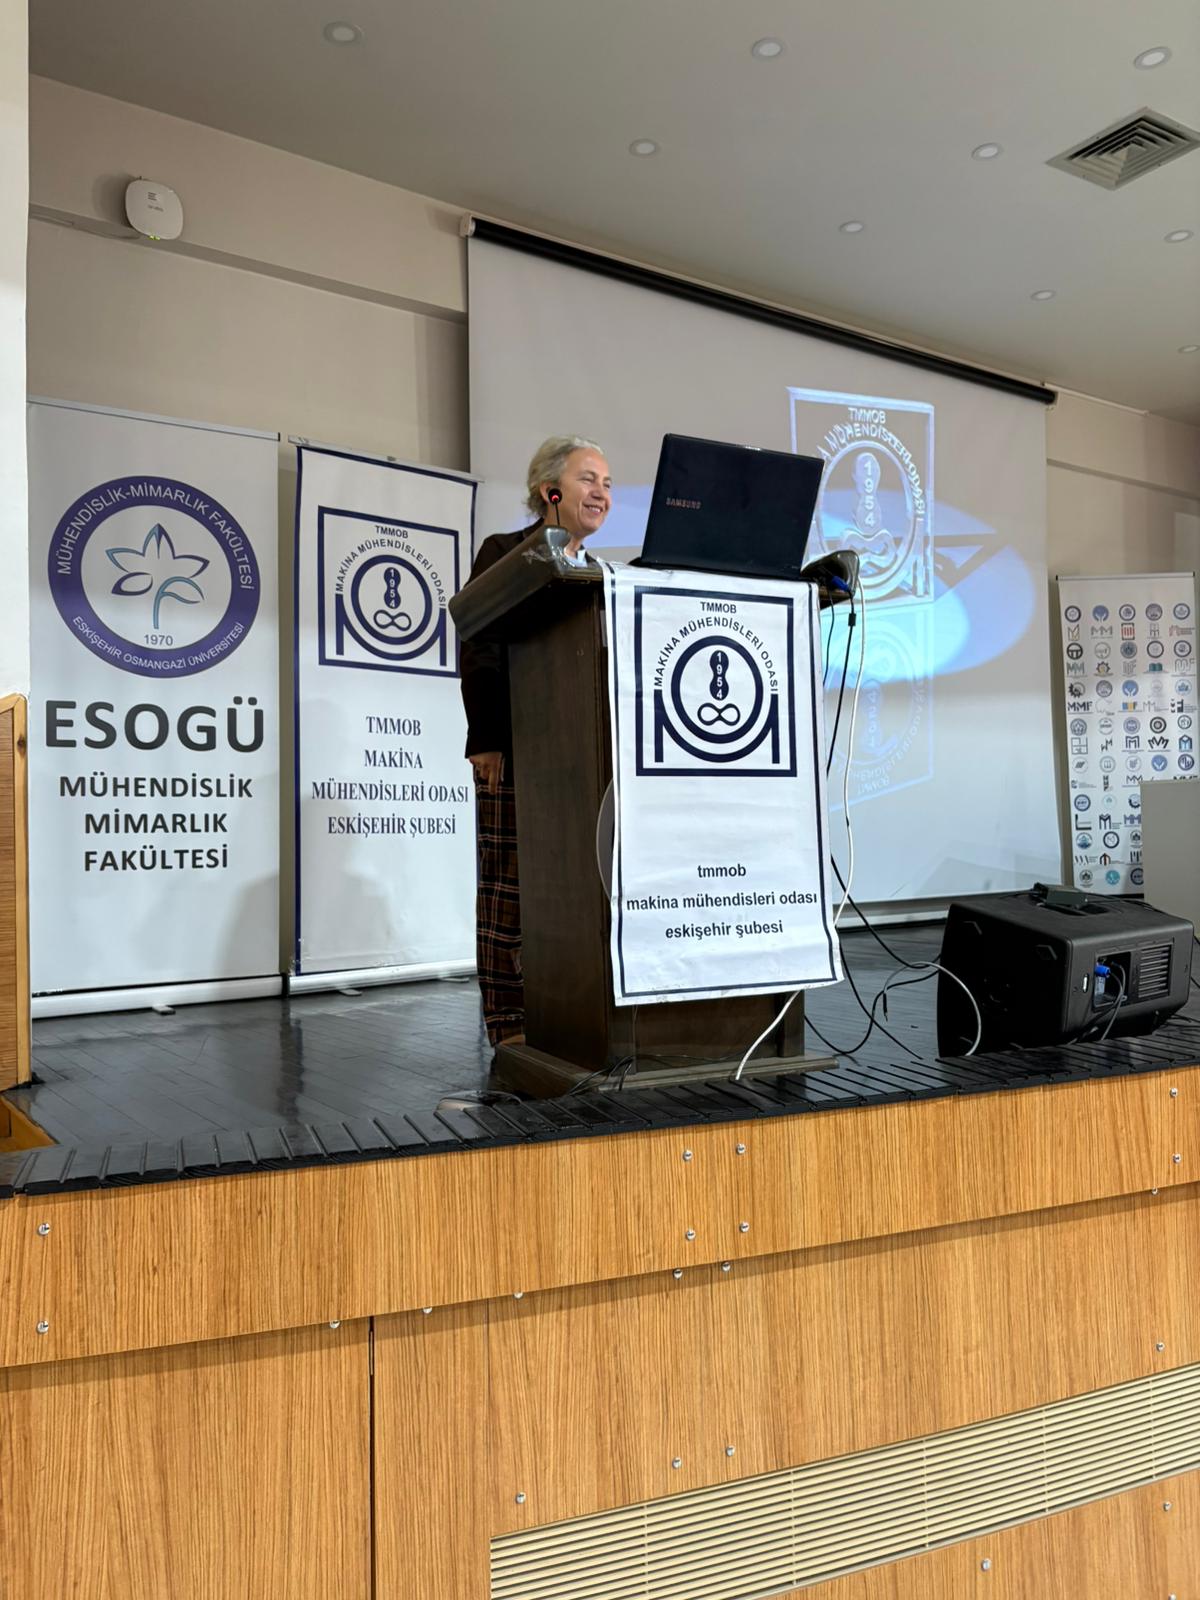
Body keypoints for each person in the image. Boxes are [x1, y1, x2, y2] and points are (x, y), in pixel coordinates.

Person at [459, 435, 613, 1048]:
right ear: (550, 490)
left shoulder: (601, 574)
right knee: (509, 887)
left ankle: (567, 1013)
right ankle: (507, 1022)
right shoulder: (506, 553)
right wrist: (487, 737)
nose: (601, 492)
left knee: (573, 888)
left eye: (607, 483)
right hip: (515, 746)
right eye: (587, 479)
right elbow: (480, 644)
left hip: (582, 754)